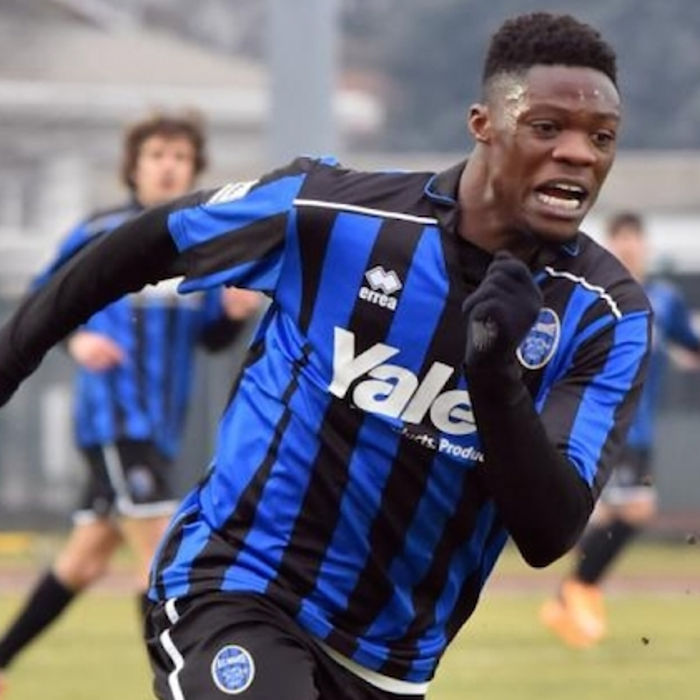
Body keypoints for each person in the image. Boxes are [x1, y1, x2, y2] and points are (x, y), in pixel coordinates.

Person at [0, 12, 651, 700]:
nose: (578, 153)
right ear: (483, 124)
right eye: (547, 127)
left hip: (391, 663)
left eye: (601, 137)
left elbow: (548, 531)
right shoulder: (335, 216)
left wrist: (494, 378)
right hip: (240, 587)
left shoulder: (606, 314)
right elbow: (150, 238)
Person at [0, 112, 259, 691]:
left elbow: (210, 338)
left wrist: (233, 315)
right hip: (115, 421)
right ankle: (182, 686)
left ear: (194, 168)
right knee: (163, 555)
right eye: (157, 155)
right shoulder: (100, 232)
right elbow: (44, 302)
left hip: (162, 427)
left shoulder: (200, 239)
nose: (169, 167)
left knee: (85, 560)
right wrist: (76, 339)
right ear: (133, 166)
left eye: (180, 157)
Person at [540, 211, 700, 648]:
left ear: (644, 245)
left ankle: (573, 595)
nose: (628, 246)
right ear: (611, 243)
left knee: (616, 513)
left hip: (641, 429)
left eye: (634, 238)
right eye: (620, 238)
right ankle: (577, 590)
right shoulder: (596, 294)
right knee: (634, 511)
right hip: (606, 422)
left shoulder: (663, 300)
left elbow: (688, 342)